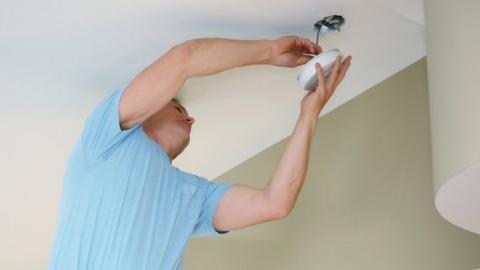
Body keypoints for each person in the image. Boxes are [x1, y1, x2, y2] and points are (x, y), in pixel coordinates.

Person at [47, 36, 351, 270]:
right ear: (149, 109)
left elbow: (275, 203)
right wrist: (270, 50)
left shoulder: (193, 196)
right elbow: (184, 58)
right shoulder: (106, 138)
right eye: (178, 107)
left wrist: (309, 114)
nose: (190, 118)